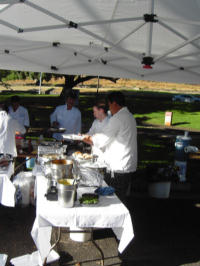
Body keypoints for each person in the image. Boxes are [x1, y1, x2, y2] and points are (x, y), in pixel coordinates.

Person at [83, 91, 137, 204]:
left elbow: (103, 139)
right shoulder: (130, 116)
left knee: (115, 200)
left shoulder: (117, 118)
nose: (109, 108)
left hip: (119, 167)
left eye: (109, 104)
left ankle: (119, 220)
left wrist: (87, 139)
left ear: (114, 103)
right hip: (126, 165)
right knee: (121, 197)